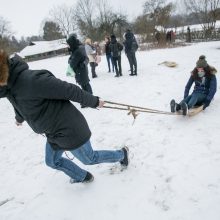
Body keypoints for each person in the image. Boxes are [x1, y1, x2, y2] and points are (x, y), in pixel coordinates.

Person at [0, 50, 129, 183]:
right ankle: (82, 176)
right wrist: (19, 118)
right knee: (52, 161)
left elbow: (68, 90)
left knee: (89, 158)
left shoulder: (32, 80)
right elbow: (20, 104)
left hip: (69, 129)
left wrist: (94, 101)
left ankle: (121, 154)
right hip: (53, 133)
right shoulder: (10, 88)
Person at [66, 34, 93, 107]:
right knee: (86, 84)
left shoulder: (77, 51)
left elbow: (71, 64)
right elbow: (86, 58)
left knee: (84, 85)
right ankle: (90, 99)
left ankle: (88, 101)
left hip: (80, 71)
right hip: (82, 69)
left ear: (72, 44)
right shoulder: (80, 47)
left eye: (68, 44)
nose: (68, 46)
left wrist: (71, 56)